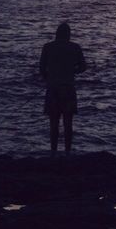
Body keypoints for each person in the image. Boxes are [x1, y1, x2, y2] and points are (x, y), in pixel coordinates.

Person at [39, 22, 87, 155]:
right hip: (68, 88)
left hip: (53, 88)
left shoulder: (47, 47)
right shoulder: (75, 47)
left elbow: (42, 69)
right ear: (68, 34)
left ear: (56, 33)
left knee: (53, 123)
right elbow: (83, 67)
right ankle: (67, 153)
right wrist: (72, 71)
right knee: (68, 123)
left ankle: (53, 152)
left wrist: (49, 77)